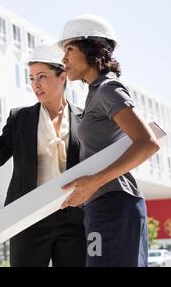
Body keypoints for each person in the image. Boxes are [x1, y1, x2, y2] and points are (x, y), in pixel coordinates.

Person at [0, 43, 86, 267]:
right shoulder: (20, 118)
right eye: (31, 78)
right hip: (29, 217)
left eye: (42, 76)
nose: (35, 84)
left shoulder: (84, 118)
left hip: (73, 219)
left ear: (63, 76)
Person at [58, 14, 160, 267]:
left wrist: (94, 182)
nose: (63, 59)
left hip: (116, 203)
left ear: (92, 49)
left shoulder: (108, 89)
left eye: (69, 49)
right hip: (99, 204)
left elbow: (148, 143)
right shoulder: (94, 94)